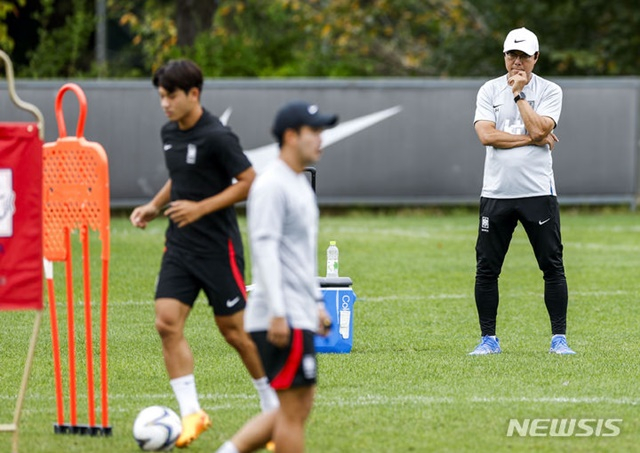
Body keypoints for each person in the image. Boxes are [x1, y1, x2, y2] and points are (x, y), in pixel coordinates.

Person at [129, 59, 279, 448]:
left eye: (171, 96)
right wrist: (154, 206)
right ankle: (191, 413)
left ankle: (273, 408)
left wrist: (200, 207)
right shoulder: (168, 132)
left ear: (193, 94)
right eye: (161, 96)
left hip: (217, 247)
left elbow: (248, 182)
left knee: (235, 332)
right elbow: (179, 178)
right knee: (166, 323)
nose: (165, 103)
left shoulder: (218, 136)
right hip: (179, 246)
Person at [215, 101, 336, 453]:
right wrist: (279, 313)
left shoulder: (298, 183)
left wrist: (315, 303)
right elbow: (264, 251)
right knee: (293, 412)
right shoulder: (270, 185)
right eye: (313, 132)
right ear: (290, 136)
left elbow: (299, 257)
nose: (321, 140)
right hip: (279, 315)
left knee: (296, 406)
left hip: (297, 311)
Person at [469, 27, 576, 355]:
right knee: (487, 267)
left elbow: (541, 126)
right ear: (504, 56)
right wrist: (532, 139)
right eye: (511, 55)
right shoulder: (488, 90)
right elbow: (487, 136)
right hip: (497, 192)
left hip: (538, 193)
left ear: (536, 58)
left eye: (523, 56)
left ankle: (559, 339)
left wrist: (519, 95)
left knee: (551, 264)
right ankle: (488, 339)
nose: (516, 62)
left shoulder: (550, 90)